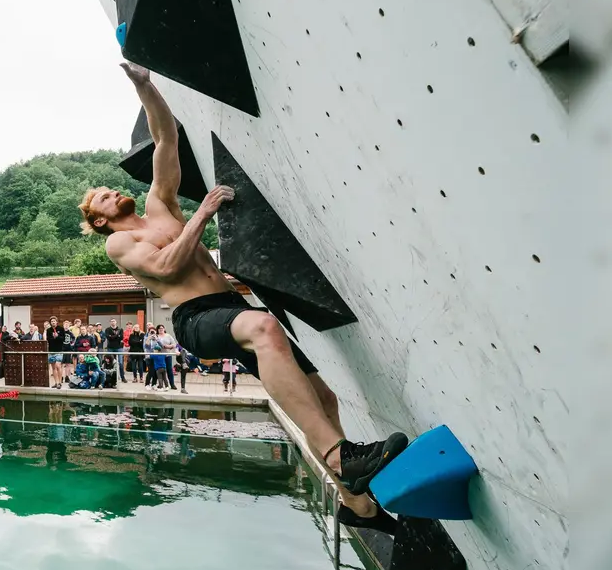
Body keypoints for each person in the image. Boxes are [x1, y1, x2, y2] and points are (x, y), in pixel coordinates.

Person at [79, 63, 406, 527]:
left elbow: (166, 136)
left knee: (322, 399)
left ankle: (355, 505)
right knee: (263, 325)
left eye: (111, 188)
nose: (112, 192)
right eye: (103, 198)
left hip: (231, 307)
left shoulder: (159, 205)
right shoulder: (118, 243)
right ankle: (339, 457)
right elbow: (167, 266)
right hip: (195, 317)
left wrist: (145, 87)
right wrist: (203, 213)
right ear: (98, 220)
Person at [45, 316, 67, 388]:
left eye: (54, 321)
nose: (53, 322)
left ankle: (60, 382)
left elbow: (63, 339)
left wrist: (57, 336)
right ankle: (56, 382)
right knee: (53, 367)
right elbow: (49, 339)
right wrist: (53, 337)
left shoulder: (61, 329)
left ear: (56, 322)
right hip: (51, 350)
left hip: (59, 350)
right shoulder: (48, 330)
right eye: (51, 321)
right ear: (50, 323)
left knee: (58, 366)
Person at [102, 318, 125, 383]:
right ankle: (110, 377)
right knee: (110, 361)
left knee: (120, 363)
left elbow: (121, 337)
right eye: (111, 321)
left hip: (119, 347)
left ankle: (122, 377)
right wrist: (116, 336)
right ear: (110, 322)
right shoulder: (107, 329)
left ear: (116, 322)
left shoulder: (120, 329)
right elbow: (108, 338)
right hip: (110, 347)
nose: (113, 322)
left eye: (114, 321)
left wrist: (113, 336)